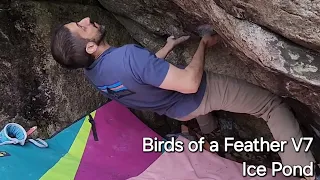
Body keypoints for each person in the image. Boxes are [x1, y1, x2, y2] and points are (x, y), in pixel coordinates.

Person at [50, 17, 318, 180]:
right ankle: (304, 171)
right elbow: (190, 83)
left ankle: (211, 132)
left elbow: (137, 75)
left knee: (195, 110)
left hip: (175, 110)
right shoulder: (128, 56)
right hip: (197, 95)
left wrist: (168, 46)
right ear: (91, 46)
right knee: (271, 106)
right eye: (81, 27)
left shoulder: (92, 72)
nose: (86, 20)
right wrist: (202, 44)